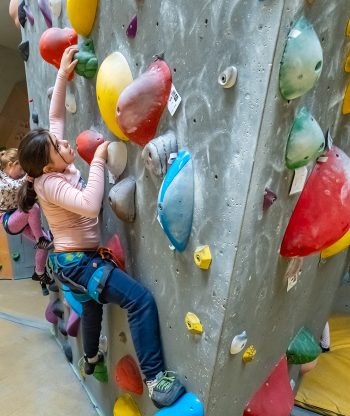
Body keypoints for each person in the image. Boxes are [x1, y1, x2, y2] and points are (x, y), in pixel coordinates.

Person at [17, 46, 185, 408]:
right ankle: (156, 381)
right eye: (59, 146)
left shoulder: (51, 163)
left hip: (78, 259)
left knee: (92, 306)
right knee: (139, 301)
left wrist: (62, 76)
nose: (65, 142)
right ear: (47, 167)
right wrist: (98, 161)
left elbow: (55, 115)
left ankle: (90, 358)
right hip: (77, 261)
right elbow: (91, 206)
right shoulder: (50, 184)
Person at [0, 148, 53, 295]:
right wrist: (32, 174)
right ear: (11, 165)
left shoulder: (14, 177)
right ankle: (41, 239)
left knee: (46, 244)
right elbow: (14, 187)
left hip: (20, 216)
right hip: (9, 219)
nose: (22, 172)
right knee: (33, 208)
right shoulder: (2, 181)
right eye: (21, 168)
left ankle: (39, 272)